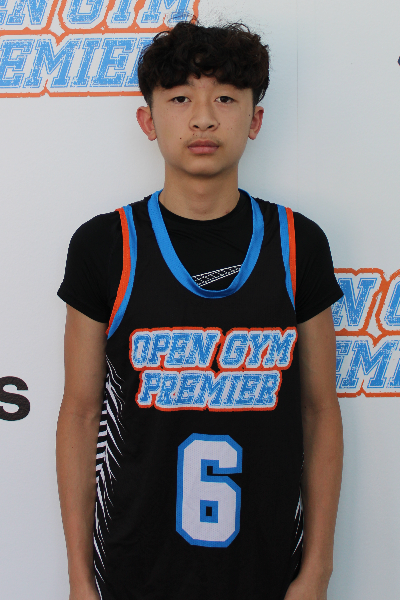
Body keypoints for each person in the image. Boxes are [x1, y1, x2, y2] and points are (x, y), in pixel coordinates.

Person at [56, 21, 344, 600]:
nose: (204, 118)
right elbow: (82, 415)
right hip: (135, 571)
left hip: (268, 570)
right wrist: (80, 580)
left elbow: (319, 410)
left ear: (255, 120)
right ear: (148, 120)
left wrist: (316, 571)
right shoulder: (104, 244)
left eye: (226, 99)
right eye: (181, 98)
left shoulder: (298, 243)